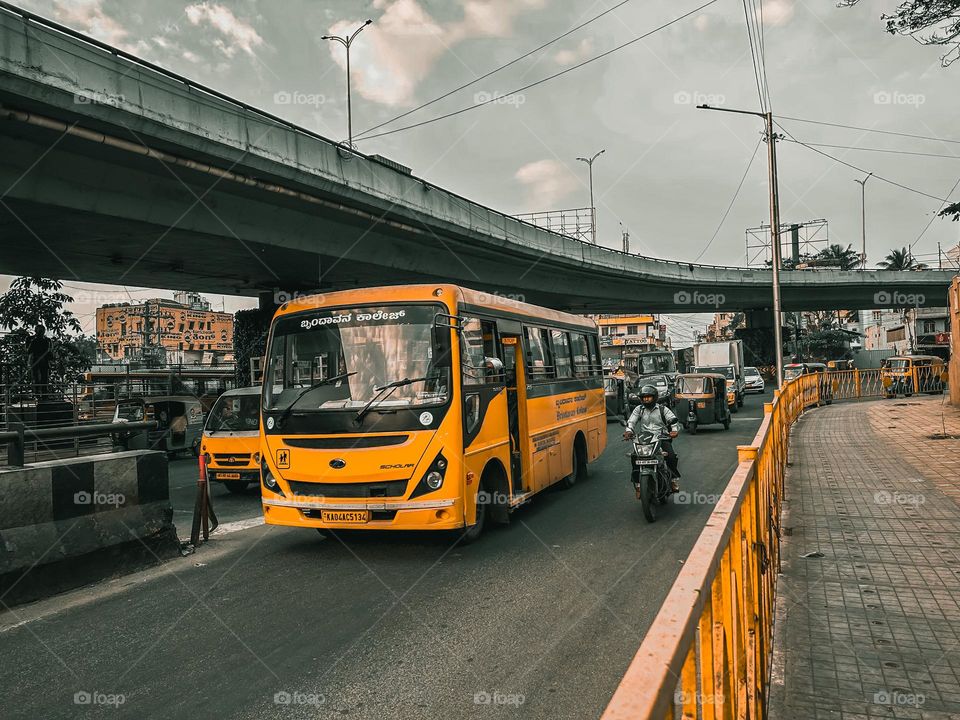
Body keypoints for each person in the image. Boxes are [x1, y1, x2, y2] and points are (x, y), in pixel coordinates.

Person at [623, 384, 682, 492]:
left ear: (654, 397)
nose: (646, 399)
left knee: (671, 456)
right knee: (634, 457)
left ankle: (673, 480)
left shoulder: (663, 409)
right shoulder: (639, 409)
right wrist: (628, 431)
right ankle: (638, 485)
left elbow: (673, 420)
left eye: (648, 397)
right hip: (644, 439)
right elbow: (631, 421)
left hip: (661, 438)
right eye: (644, 397)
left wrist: (674, 430)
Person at [27, 324, 51, 398]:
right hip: (35, 362)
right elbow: (28, 351)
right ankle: (37, 394)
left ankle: (44, 395)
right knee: (35, 379)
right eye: (39, 331)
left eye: (42, 331)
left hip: (44, 362)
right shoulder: (32, 340)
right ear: (36, 331)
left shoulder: (47, 340)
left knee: (44, 379)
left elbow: (49, 352)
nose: (41, 332)